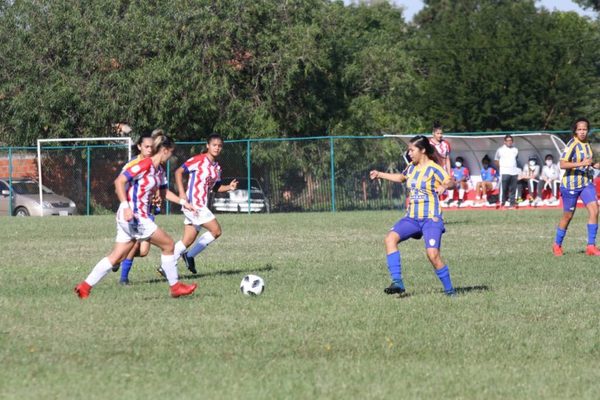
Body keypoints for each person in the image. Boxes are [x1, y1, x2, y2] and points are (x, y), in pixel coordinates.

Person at [74, 130, 198, 298]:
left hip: (135, 216)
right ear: (165, 150)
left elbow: (164, 193)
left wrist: (184, 203)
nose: (171, 156)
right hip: (134, 215)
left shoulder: (159, 170)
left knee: (117, 256)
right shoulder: (144, 164)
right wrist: (126, 207)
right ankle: (175, 287)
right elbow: (119, 181)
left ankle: (84, 286)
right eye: (171, 152)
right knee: (168, 245)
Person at [369, 135, 456, 297]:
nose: (409, 153)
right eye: (408, 150)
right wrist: (380, 174)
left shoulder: (433, 168)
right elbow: (401, 178)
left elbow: (451, 182)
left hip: (431, 218)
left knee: (433, 255)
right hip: (412, 218)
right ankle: (397, 282)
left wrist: (444, 186)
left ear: (422, 150)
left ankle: (450, 292)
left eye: (412, 150)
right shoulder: (411, 167)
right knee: (390, 239)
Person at [161, 133, 238, 276]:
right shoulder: (199, 160)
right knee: (216, 231)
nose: (217, 148)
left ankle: (166, 266)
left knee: (187, 240)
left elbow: (215, 187)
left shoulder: (216, 168)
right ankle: (189, 256)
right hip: (194, 204)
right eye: (214, 145)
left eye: (220, 146)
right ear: (208, 146)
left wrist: (229, 187)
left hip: (201, 204)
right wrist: (182, 195)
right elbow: (178, 172)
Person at [113, 132, 158, 285]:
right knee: (134, 243)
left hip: (147, 209)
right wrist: (125, 206)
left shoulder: (155, 164)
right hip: (133, 210)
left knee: (144, 251)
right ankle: (123, 278)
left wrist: (157, 196)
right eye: (146, 147)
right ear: (139, 147)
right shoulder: (132, 164)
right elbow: (119, 184)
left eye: (152, 147)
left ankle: (118, 257)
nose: (150, 150)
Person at [553, 118, 600, 256]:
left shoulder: (587, 144)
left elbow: (586, 162)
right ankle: (557, 245)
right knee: (568, 216)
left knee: (595, 210)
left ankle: (591, 246)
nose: (582, 132)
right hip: (570, 185)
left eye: (584, 129)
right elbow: (562, 164)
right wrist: (581, 164)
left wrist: (593, 165)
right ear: (575, 130)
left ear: (588, 130)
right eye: (579, 129)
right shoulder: (572, 144)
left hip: (585, 183)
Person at [494, 134, 519, 209]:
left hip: (514, 172)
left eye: (510, 140)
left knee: (513, 189)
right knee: (503, 189)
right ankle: (502, 204)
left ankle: (512, 204)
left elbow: (516, 159)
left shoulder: (515, 150)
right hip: (504, 171)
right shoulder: (500, 150)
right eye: (507, 140)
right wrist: (501, 168)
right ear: (504, 141)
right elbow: (496, 160)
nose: (509, 142)